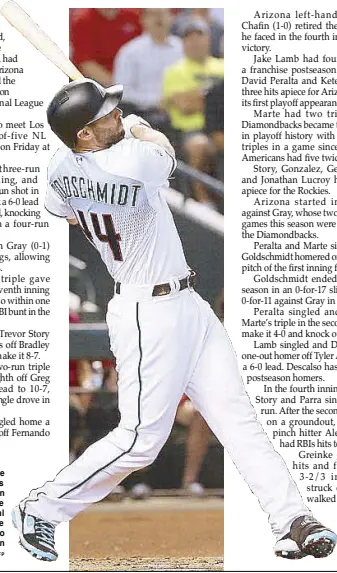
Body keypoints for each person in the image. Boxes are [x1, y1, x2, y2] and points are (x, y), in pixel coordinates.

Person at [12, 79, 336, 562]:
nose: (117, 115)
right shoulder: (135, 160)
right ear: (83, 133)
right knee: (141, 440)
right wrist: (139, 128)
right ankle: (39, 508)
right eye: (105, 114)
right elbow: (164, 150)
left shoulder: (59, 169)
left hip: (186, 303)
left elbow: (60, 206)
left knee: (237, 418)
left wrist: (105, 143)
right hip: (148, 314)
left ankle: (291, 518)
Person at [162, 18, 224, 208]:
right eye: (189, 37)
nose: (195, 41)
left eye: (200, 35)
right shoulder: (174, 71)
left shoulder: (223, 66)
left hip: (221, 126)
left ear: (209, 39)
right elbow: (183, 106)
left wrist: (199, 97)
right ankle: (201, 197)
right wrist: (211, 97)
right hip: (191, 130)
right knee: (199, 145)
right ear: (183, 42)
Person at [114, 9, 183, 129]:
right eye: (152, 15)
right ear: (143, 19)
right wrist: (155, 101)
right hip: (144, 115)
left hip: (182, 112)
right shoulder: (130, 52)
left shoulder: (182, 47)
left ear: (172, 17)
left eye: (162, 14)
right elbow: (122, 91)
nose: (158, 19)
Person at [70, 8, 142, 87]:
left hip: (135, 78)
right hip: (100, 84)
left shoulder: (133, 16)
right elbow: (86, 64)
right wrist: (118, 87)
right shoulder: (83, 20)